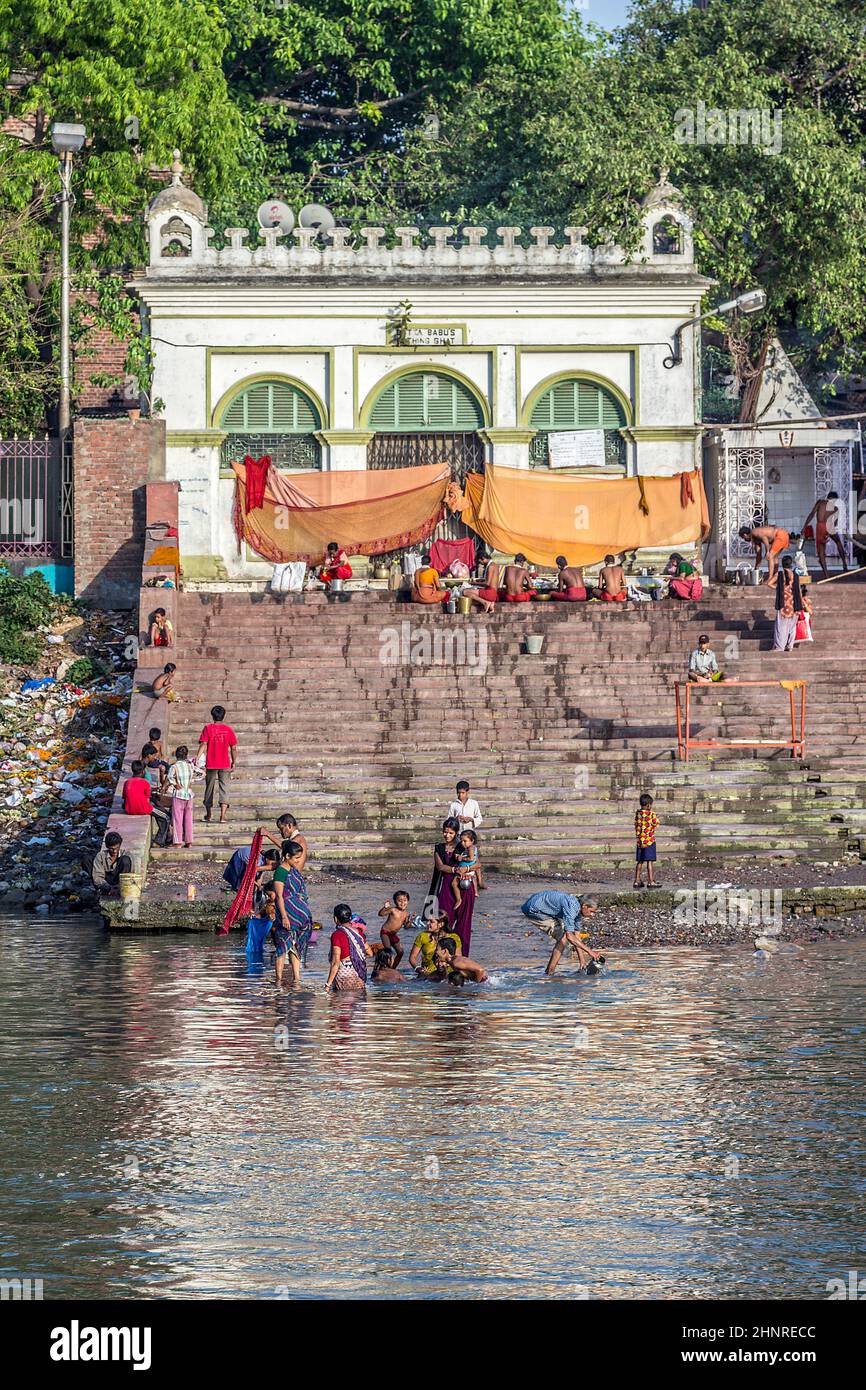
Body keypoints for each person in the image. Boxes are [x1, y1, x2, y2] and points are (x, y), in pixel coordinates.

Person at [520, 889, 603, 975]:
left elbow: (576, 936)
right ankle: (550, 973)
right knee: (563, 938)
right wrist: (590, 952)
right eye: (591, 911)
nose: (592, 915)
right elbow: (570, 937)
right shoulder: (572, 907)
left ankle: (549, 972)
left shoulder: (578, 911)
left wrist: (582, 962)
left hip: (543, 908)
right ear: (584, 906)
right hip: (534, 909)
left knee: (564, 936)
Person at [272, 839, 314, 986]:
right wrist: (284, 916)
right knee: (283, 947)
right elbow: (279, 896)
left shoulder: (293, 871)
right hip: (286, 916)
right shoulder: (280, 872)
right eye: (296, 858)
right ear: (287, 856)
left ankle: (297, 979)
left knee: (294, 947)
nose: (298, 861)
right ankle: (278, 979)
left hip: (299, 917)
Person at [198, 704, 237, 823]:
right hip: (225, 763)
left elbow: (203, 744)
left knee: (209, 788)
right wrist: (234, 762)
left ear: (212, 715)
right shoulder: (228, 730)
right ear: (223, 716)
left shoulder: (208, 728)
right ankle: (223, 816)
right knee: (224, 788)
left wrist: (197, 758)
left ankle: (209, 814)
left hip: (211, 763)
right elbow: (234, 747)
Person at [122, 760, 171, 845]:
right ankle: (159, 840)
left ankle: (163, 838)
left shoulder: (127, 783)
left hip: (129, 809)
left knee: (159, 811)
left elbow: (125, 798)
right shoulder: (145, 783)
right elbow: (147, 801)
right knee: (166, 817)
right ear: (143, 771)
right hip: (143, 809)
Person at [802, 492, 848, 581]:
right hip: (829, 526)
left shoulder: (820, 503)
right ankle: (844, 565)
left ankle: (826, 575)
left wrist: (804, 527)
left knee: (821, 550)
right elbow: (834, 523)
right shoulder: (835, 509)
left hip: (820, 527)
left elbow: (812, 514)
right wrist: (828, 533)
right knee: (838, 542)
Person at [325, 904, 368, 992]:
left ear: (336, 919)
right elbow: (369, 952)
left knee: (342, 1003)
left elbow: (335, 963)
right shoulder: (358, 933)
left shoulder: (337, 935)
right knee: (358, 1002)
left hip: (344, 977)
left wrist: (327, 985)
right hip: (359, 977)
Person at [408, 910, 462, 975]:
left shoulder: (454, 938)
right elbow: (412, 957)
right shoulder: (422, 936)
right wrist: (418, 968)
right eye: (427, 920)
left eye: (431, 921)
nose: (427, 923)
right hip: (427, 975)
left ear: (441, 924)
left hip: (448, 975)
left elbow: (458, 958)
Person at [428, 816, 461, 913]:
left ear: (456, 833)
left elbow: (474, 863)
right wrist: (455, 869)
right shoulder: (439, 848)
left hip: (458, 884)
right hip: (443, 885)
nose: (447, 835)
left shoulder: (461, 847)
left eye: (451, 833)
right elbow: (440, 866)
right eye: (445, 832)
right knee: (441, 913)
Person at [166, 744, 197, 849]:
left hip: (178, 795)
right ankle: (189, 842)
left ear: (176, 755)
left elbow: (170, 777)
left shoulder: (174, 767)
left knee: (177, 818)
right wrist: (191, 782)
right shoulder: (190, 765)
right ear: (186, 755)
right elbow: (200, 774)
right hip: (189, 794)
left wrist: (175, 784)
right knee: (188, 818)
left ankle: (178, 842)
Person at [773, 554, 804, 652]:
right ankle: (790, 646)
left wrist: (778, 588)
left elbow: (768, 583)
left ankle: (779, 646)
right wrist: (802, 603)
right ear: (791, 564)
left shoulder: (779, 575)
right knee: (791, 627)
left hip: (783, 604)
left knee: (781, 627)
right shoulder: (795, 575)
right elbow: (798, 590)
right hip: (794, 603)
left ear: (783, 564)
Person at [451, 828, 485, 910]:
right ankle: (476, 892)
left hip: (466, 868)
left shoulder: (471, 848)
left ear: (472, 840)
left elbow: (470, 859)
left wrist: (461, 858)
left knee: (454, 883)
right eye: (461, 841)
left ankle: (458, 899)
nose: (462, 843)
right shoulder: (471, 847)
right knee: (473, 880)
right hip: (470, 869)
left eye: (465, 841)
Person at [634, 792, 660, 889]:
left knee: (640, 861)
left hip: (640, 842)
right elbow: (656, 824)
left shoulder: (638, 814)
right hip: (649, 841)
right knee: (649, 861)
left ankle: (637, 880)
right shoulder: (651, 814)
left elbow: (636, 824)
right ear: (649, 805)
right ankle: (650, 881)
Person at [378, 890, 410, 966]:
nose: (402, 903)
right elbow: (380, 914)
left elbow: (406, 926)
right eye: (399, 901)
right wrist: (384, 907)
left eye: (405, 900)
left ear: (408, 901)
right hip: (385, 932)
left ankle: (393, 968)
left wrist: (411, 920)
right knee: (388, 951)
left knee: (400, 952)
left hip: (393, 935)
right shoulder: (393, 910)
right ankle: (385, 967)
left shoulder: (407, 913)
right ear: (395, 902)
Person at [245, 888, 277, 960]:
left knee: (275, 932)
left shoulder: (280, 900)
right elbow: (260, 914)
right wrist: (253, 917)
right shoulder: (268, 905)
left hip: (279, 923)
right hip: (271, 923)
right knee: (274, 932)